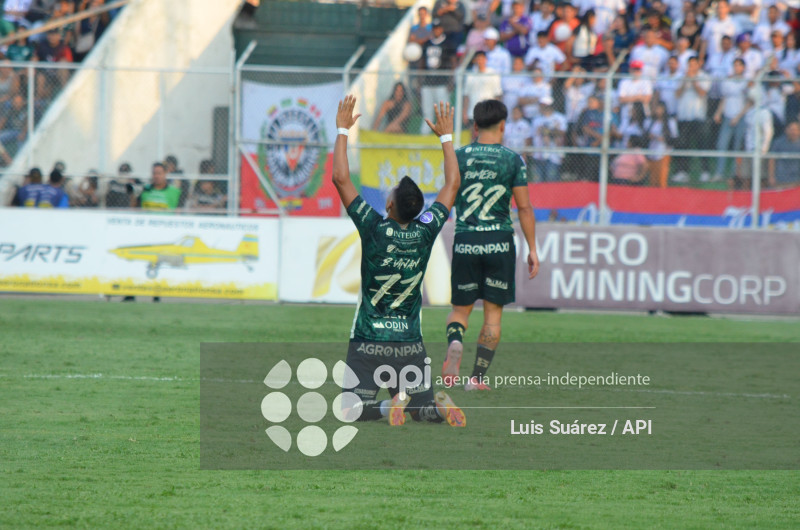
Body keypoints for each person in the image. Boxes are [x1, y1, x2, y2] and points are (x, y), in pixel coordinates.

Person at [332, 95, 465, 427]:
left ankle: (388, 406)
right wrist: (446, 138)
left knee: (349, 411)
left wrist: (342, 130)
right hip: (409, 343)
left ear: (390, 206)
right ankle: (436, 407)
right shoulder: (426, 230)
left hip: (369, 340)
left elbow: (341, 179)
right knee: (422, 411)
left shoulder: (373, 226)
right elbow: (452, 184)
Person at [442, 99, 540, 391]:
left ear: (474, 126)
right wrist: (533, 249)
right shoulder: (513, 160)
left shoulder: (458, 156)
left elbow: (448, 194)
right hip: (499, 242)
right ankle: (476, 379)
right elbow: (524, 208)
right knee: (493, 316)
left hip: (466, 240)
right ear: (503, 126)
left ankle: (455, 341)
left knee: (460, 311)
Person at [713, 58, 750, 182]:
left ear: (743, 67)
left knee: (737, 147)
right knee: (721, 145)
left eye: (739, 65)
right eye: (735, 65)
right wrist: (718, 113)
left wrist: (738, 117)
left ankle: (734, 174)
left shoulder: (746, 82)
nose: (737, 67)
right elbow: (724, 98)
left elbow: (749, 102)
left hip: (740, 118)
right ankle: (719, 173)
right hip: (727, 117)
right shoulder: (727, 81)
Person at [419, 19, 457, 134]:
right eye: (434, 28)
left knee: (443, 111)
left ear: (442, 29)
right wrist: (420, 80)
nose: (436, 31)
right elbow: (422, 62)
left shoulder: (448, 43)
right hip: (428, 82)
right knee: (427, 111)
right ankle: (425, 134)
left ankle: (445, 134)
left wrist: (451, 81)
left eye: (438, 28)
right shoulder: (427, 43)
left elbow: (453, 63)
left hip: (442, 82)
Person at [642, 100, 677, 187]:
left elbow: (674, 138)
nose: (657, 111)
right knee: (652, 179)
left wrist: (662, 138)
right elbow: (644, 135)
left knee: (661, 179)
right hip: (651, 152)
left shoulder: (670, 122)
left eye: (659, 108)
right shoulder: (650, 121)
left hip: (663, 152)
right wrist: (650, 136)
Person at [463, 51, 502, 125]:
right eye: (478, 59)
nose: (480, 61)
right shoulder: (470, 75)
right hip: (472, 112)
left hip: (489, 112)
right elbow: (466, 95)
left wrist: (496, 111)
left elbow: (497, 94)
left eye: (482, 59)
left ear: (486, 60)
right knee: (474, 131)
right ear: (475, 60)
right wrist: (464, 112)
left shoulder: (493, 74)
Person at [768, 120, 800, 187]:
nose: (793, 132)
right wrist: (771, 177)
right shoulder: (778, 143)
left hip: (797, 179)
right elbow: (772, 160)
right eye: (791, 129)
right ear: (786, 130)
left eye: (796, 130)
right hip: (781, 179)